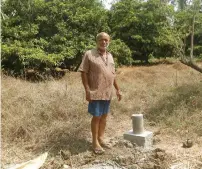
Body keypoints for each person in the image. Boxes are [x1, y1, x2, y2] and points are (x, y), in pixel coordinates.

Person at [78, 32, 122, 154]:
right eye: (101, 40)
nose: (104, 42)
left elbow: (113, 74)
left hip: (108, 92)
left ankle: (101, 138)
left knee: (104, 116)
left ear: (109, 41)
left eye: (106, 40)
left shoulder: (110, 56)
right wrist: (87, 90)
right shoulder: (89, 54)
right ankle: (94, 142)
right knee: (96, 116)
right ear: (97, 41)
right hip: (95, 91)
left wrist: (118, 89)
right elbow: (83, 72)